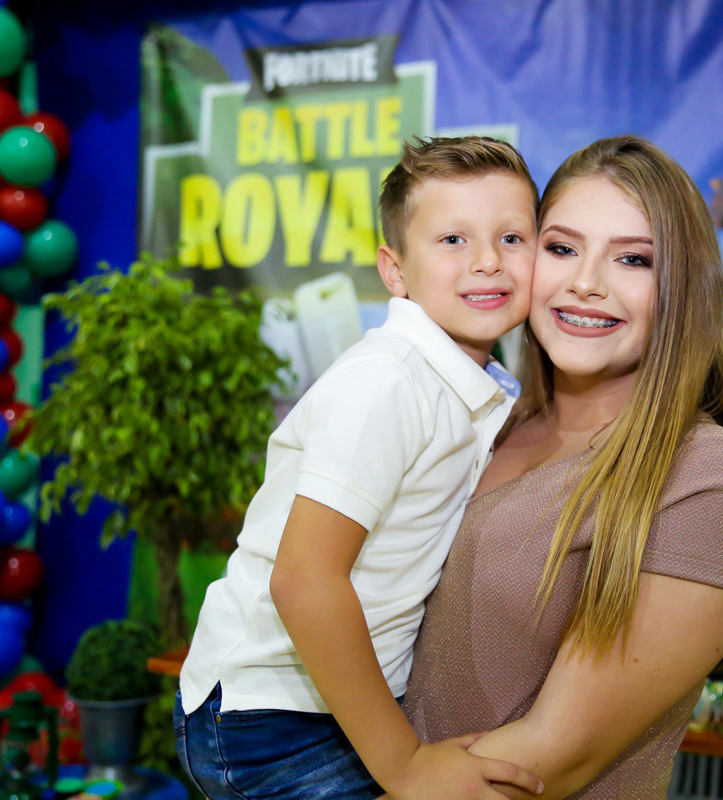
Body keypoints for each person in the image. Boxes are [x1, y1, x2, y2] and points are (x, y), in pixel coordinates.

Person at [401, 135, 723, 799]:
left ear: (683, 289)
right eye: (562, 248)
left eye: (633, 259)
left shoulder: (706, 476)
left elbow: (550, 758)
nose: (586, 283)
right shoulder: (486, 424)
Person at [176, 137, 546, 800]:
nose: (488, 261)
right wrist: (405, 765)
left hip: (340, 701)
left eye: (512, 238)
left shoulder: (471, 384)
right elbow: (304, 580)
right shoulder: (388, 381)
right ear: (395, 270)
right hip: (273, 717)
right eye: (453, 240)